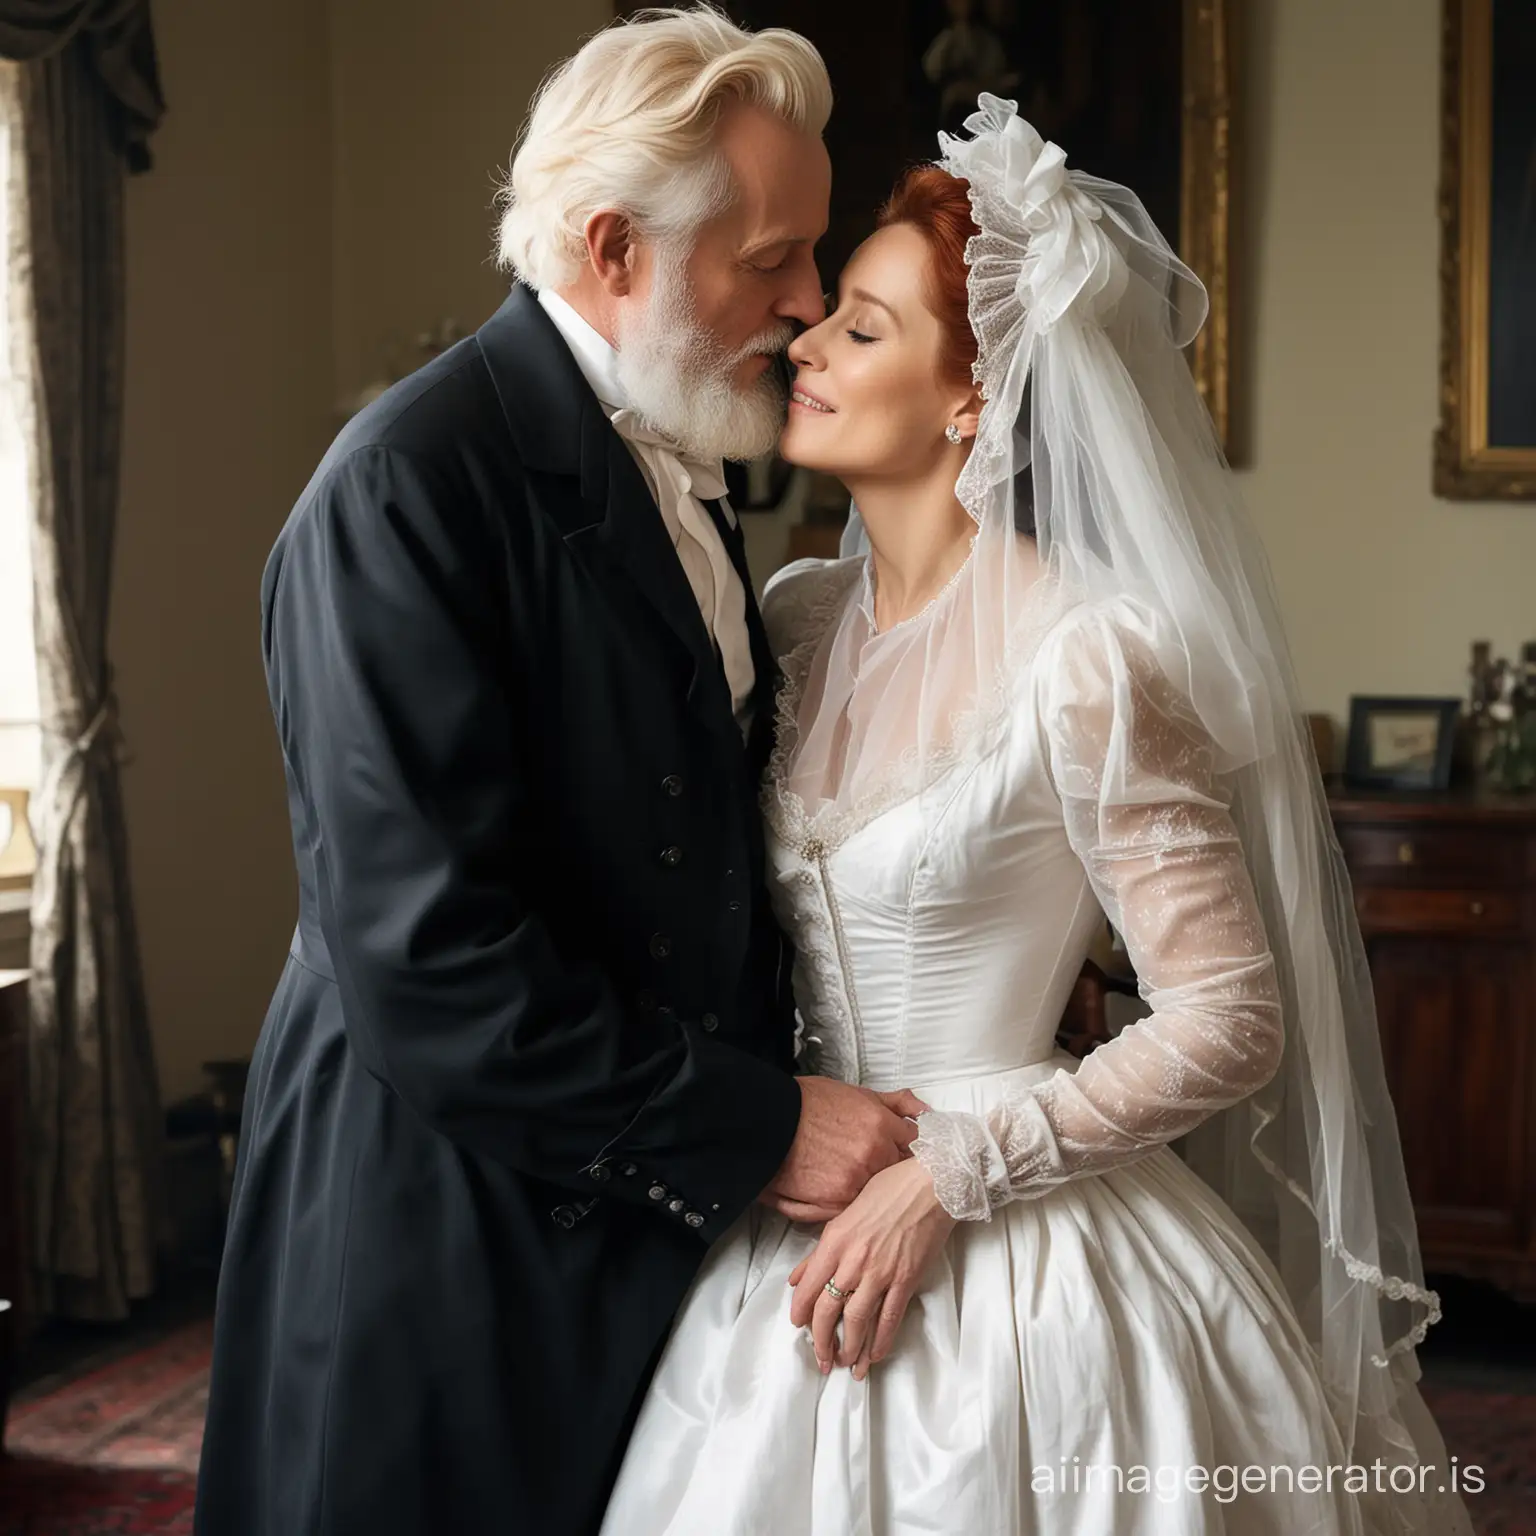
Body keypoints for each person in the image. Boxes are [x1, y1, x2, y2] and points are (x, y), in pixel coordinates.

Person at [598, 96, 1479, 1534]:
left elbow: (1229, 1013)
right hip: (795, 1206)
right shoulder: (798, 621)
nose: (805, 340)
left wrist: (953, 1171)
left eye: (864, 328)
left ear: (973, 397)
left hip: (1020, 1242)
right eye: (827, 320)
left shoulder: (1088, 654)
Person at [194, 12, 930, 1536]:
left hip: (632, 1223)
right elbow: (431, 962)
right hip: (438, 1240)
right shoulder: (404, 490)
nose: (804, 305)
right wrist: (762, 1126)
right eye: (773, 258)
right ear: (614, 252)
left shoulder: (679, 435)